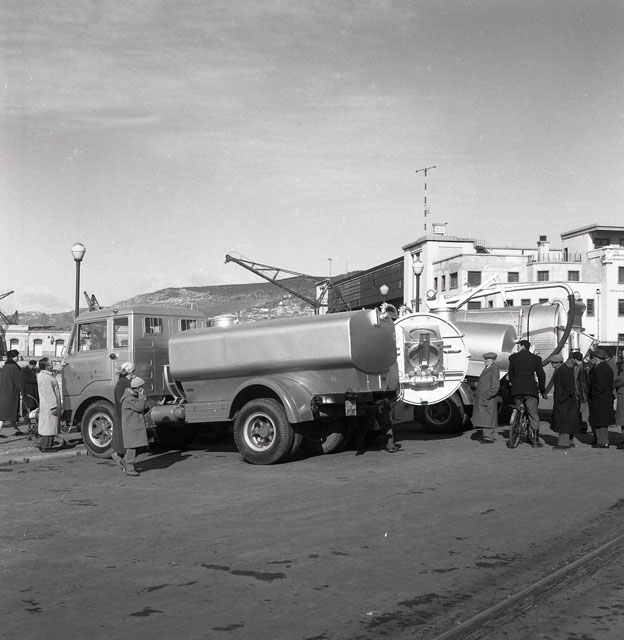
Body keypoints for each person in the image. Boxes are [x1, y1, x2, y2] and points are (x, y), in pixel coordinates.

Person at [507, 339, 547, 448]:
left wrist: (514, 384)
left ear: (522, 346)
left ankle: (516, 426)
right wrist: (542, 389)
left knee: (519, 408)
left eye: (518, 346)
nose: (517, 348)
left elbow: (511, 374)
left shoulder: (513, 358)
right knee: (533, 414)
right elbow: (541, 375)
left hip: (517, 389)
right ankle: (535, 440)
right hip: (531, 390)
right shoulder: (536, 359)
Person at [550, 353, 581, 449]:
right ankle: (570, 441)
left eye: (552, 362)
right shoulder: (566, 369)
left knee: (563, 422)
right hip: (568, 401)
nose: (551, 364)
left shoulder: (562, 371)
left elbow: (569, 389)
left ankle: (563, 443)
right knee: (569, 421)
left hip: (564, 402)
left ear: (556, 363)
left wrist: (561, 398)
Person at [120, 376, 149, 476]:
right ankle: (129, 468)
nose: (143, 389)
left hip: (134, 427)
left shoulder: (132, 397)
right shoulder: (129, 399)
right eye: (142, 387)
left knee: (138, 447)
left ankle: (125, 461)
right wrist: (142, 396)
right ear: (138, 388)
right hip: (131, 427)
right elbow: (140, 407)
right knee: (132, 448)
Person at [587, 348, 615, 448]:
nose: (590, 360)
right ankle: (600, 441)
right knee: (599, 421)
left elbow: (599, 386)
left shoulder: (600, 369)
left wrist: (594, 396)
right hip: (603, 399)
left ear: (596, 358)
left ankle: (603, 442)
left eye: (592, 358)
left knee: (601, 421)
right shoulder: (605, 367)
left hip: (600, 400)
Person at [111, 362, 135, 470]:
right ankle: (122, 459)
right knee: (129, 440)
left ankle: (121, 458)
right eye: (133, 371)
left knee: (124, 440)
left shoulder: (122, 382)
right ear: (130, 371)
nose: (134, 373)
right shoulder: (124, 384)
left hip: (122, 415)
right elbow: (126, 400)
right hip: (124, 416)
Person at [473, 352, 500, 444]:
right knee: (485, 417)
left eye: (486, 359)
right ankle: (486, 437)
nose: (485, 361)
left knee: (487, 418)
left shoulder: (494, 369)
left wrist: (487, 395)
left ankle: (488, 438)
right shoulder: (488, 368)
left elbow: (495, 386)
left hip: (487, 399)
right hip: (484, 398)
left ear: (491, 360)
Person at [36, 357, 62, 451]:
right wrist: (53, 406)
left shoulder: (45, 375)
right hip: (49, 405)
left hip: (46, 405)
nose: (52, 364)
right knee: (49, 426)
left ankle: (44, 444)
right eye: (51, 363)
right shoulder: (46, 377)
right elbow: (49, 393)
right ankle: (46, 446)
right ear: (47, 366)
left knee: (48, 425)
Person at [0, 349, 25, 437]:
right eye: (16, 356)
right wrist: (23, 391)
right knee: (7, 412)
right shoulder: (14, 367)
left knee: (10, 412)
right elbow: (19, 381)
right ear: (13, 357)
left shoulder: (5, 366)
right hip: (12, 393)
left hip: (3, 391)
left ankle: (16, 429)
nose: (17, 357)